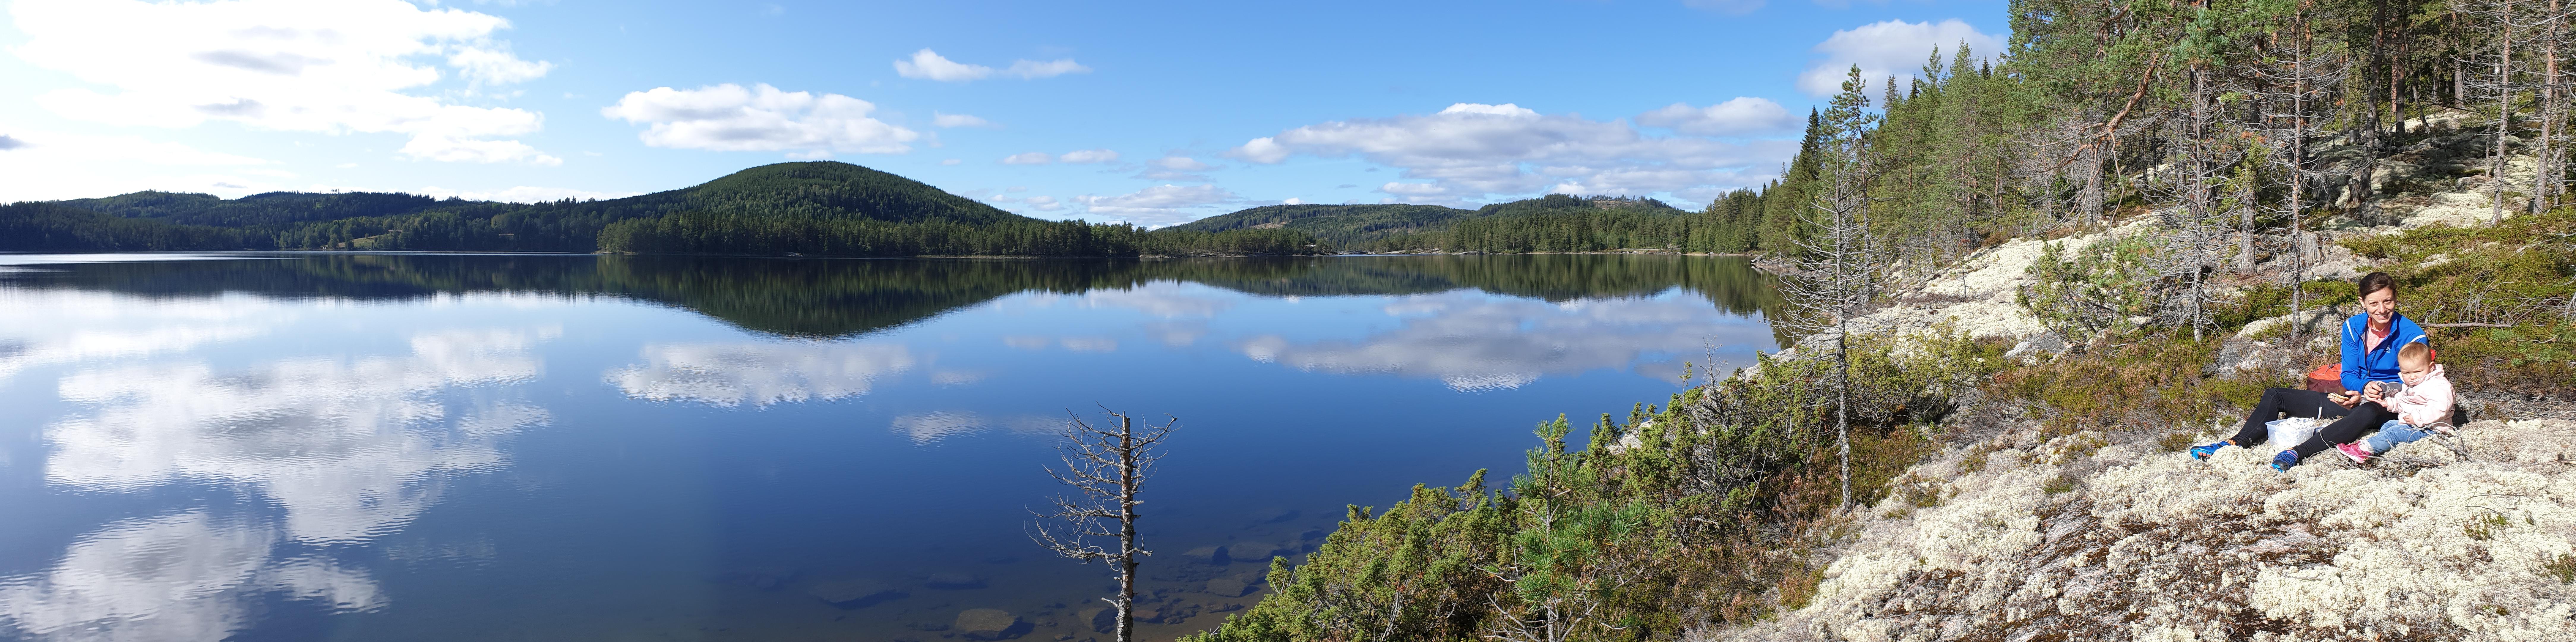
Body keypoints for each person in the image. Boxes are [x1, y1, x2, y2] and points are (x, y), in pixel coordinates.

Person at [2190, 271, 2430, 471]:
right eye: (2374, 303)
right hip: (2357, 397)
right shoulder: (2353, 327)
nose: (2382, 309)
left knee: (2367, 410)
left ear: (2396, 300)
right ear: (2362, 302)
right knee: (2277, 395)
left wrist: (2376, 393)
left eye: (2388, 301)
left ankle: (2297, 453)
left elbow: (2418, 383)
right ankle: (2237, 443)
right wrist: (2360, 389)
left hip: (2392, 405)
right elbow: (2348, 375)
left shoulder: (2413, 335)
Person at [2334, 342, 2456, 462]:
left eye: (2417, 372)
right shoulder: (2414, 384)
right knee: (2389, 425)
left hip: (2432, 429)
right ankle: (2380, 444)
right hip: (2417, 425)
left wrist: (2417, 418)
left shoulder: (2437, 385)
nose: (2412, 377)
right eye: (2407, 373)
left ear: (2431, 367)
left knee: (2394, 433)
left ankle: (2364, 450)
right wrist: (2390, 403)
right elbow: (2404, 399)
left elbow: (2440, 408)